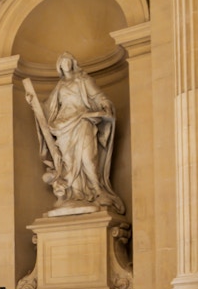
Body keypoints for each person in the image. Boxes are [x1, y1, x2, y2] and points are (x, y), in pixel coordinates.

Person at [27, 52, 126, 214]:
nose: (65, 64)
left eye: (68, 61)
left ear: (72, 63)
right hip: (63, 125)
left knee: (88, 157)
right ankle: (76, 194)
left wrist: (105, 105)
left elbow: (99, 97)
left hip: (82, 121)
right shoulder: (60, 86)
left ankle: (97, 190)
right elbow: (48, 107)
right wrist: (33, 103)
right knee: (68, 160)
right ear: (59, 65)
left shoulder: (83, 80)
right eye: (62, 61)